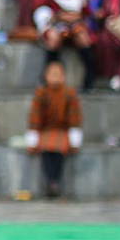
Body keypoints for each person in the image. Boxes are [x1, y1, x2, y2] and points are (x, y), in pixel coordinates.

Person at [26, 61, 84, 199]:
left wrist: (74, 140)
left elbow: (74, 118)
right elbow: (35, 118)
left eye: (58, 74)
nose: (55, 77)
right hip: (46, 131)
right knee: (47, 149)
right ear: (46, 76)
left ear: (63, 76)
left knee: (59, 149)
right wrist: (33, 139)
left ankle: (54, 181)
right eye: (52, 74)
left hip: (62, 131)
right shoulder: (41, 93)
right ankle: (51, 181)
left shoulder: (69, 94)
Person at [38, 0, 97, 91]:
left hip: (76, 27)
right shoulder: (54, 0)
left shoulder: (79, 1)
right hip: (59, 28)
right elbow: (50, 17)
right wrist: (61, 17)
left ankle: (89, 78)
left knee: (83, 38)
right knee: (53, 38)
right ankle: (49, 75)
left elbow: (86, 16)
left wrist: (76, 18)